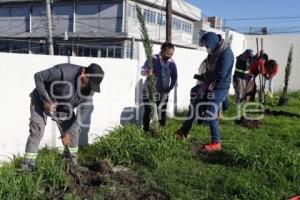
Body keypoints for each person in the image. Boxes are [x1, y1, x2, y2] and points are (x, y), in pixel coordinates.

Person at [21, 63, 104, 171]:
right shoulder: (63, 72)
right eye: (89, 83)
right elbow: (38, 76)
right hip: (42, 101)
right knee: (37, 130)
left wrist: (68, 133)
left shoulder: (90, 88)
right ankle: (27, 167)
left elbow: (83, 112)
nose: (90, 88)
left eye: (93, 85)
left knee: (74, 132)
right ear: (83, 72)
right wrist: (45, 100)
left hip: (64, 107)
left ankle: (72, 166)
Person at [176, 32, 234, 153]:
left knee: (210, 113)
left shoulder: (226, 53)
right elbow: (209, 70)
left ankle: (216, 143)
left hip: (220, 87)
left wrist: (208, 77)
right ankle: (184, 131)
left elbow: (221, 73)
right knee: (194, 106)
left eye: (207, 46)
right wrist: (204, 77)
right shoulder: (212, 53)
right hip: (209, 84)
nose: (206, 49)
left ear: (212, 43)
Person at [141, 42, 178, 132]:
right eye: (167, 53)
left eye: (171, 54)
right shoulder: (153, 59)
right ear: (162, 50)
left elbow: (174, 77)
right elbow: (142, 71)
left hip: (164, 93)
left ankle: (161, 131)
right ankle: (145, 131)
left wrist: (170, 87)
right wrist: (147, 71)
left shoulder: (172, 62)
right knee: (149, 112)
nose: (169, 56)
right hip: (149, 91)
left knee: (162, 112)